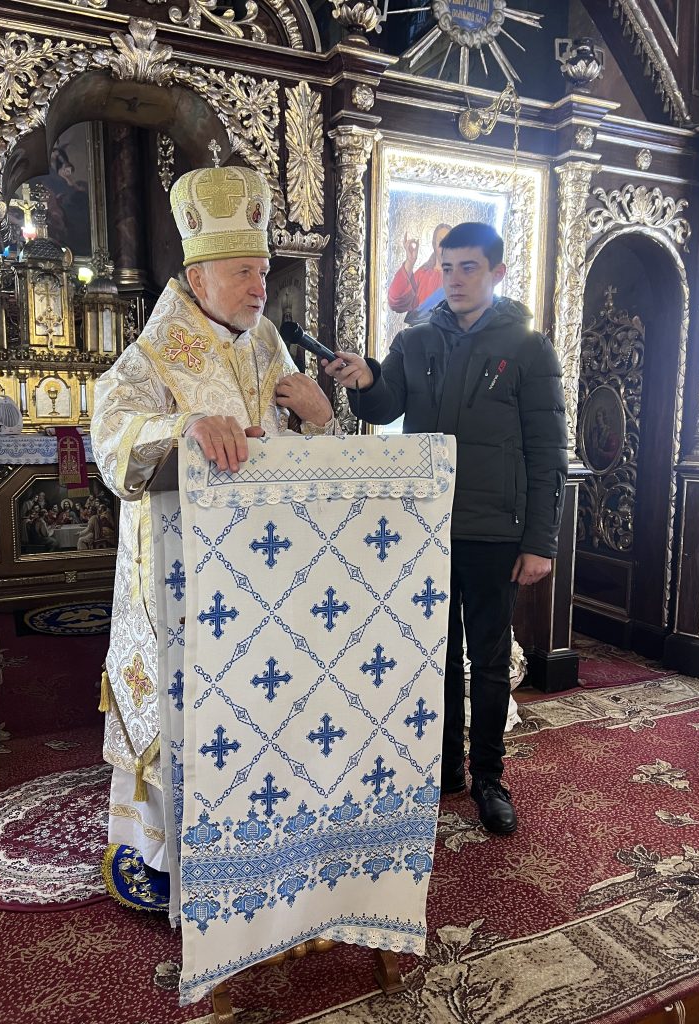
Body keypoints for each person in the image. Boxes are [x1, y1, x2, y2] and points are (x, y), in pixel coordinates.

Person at [91, 161, 334, 871]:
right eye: (243, 273)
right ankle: (167, 855)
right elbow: (109, 429)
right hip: (185, 579)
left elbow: (294, 451)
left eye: (263, 271)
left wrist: (318, 417)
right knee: (184, 711)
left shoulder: (268, 343)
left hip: (265, 573)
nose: (261, 287)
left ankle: (251, 839)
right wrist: (186, 426)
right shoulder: (158, 349)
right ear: (198, 280)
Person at [324, 221, 568, 835]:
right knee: (434, 655)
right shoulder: (415, 339)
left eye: (469, 268)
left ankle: (488, 776)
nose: (454, 279)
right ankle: (443, 766)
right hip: (423, 528)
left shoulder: (529, 347)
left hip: (494, 530)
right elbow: (386, 406)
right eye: (447, 266)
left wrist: (540, 542)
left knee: (488, 659)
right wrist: (365, 380)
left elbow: (548, 453)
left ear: (496, 273)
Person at [387, 222, 452, 324]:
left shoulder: (460, 279)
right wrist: (410, 262)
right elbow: (396, 301)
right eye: (441, 241)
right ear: (434, 245)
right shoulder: (423, 275)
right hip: (420, 333)